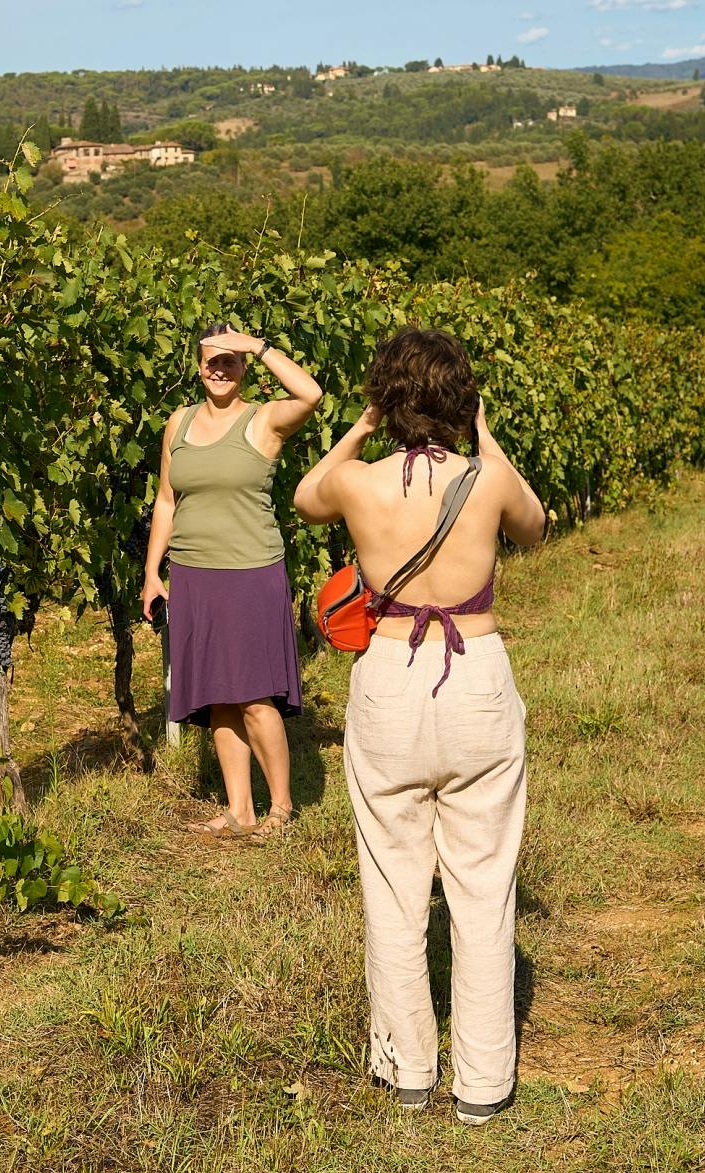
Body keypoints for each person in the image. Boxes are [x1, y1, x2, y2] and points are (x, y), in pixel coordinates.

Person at [292, 327, 547, 1124]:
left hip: (390, 683)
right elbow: (535, 526)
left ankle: (408, 1070)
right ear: (462, 398)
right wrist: (485, 435)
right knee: (482, 885)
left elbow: (305, 495)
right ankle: (483, 1084)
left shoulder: (359, 485)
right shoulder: (488, 478)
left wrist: (362, 426)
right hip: (474, 676)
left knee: (393, 883)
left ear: (386, 396)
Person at [142, 324, 322, 840]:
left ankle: (282, 808)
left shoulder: (263, 419)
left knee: (255, 697)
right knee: (219, 696)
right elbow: (166, 502)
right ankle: (240, 810)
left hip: (250, 574)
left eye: (230, 361)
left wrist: (259, 346)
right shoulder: (177, 424)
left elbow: (310, 393)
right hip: (194, 576)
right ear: (197, 365)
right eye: (210, 361)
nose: (219, 369)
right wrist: (154, 572)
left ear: (244, 368)